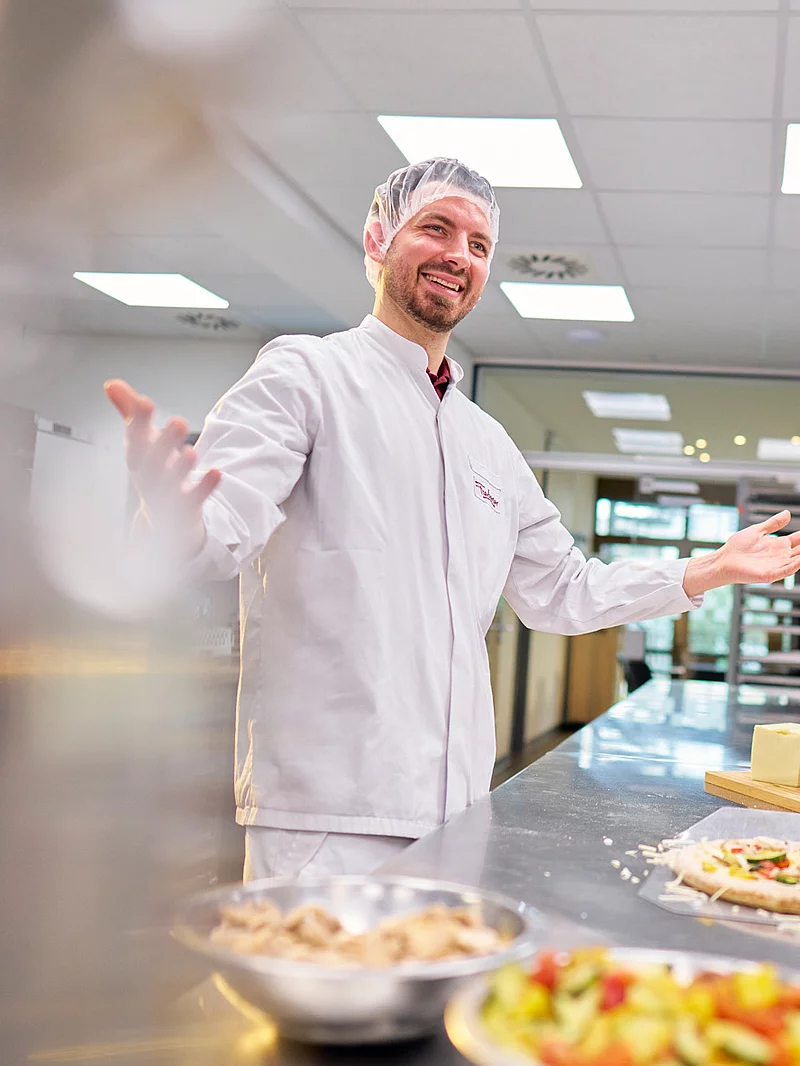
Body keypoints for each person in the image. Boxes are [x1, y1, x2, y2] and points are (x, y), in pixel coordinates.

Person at [105, 158, 800, 882]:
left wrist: (709, 569)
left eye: (477, 244)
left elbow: (564, 589)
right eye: (435, 228)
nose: (457, 255)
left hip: (457, 813)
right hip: (327, 815)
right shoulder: (305, 375)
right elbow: (218, 533)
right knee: (318, 997)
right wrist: (175, 514)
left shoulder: (485, 443)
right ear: (377, 240)